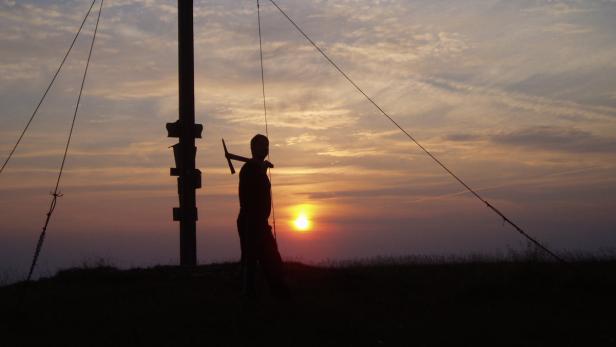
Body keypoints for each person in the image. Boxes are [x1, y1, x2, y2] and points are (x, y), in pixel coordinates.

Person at [237, 134, 288, 300]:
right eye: (262, 145)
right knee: (250, 261)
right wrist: (261, 171)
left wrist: (262, 169)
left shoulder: (258, 168)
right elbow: (250, 196)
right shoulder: (249, 170)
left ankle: (278, 296)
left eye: (267, 145)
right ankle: (248, 299)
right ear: (253, 148)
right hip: (250, 223)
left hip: (260, 223)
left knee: (272, 261)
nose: (266, 148)